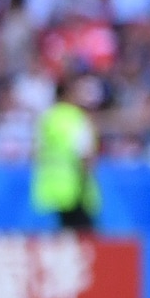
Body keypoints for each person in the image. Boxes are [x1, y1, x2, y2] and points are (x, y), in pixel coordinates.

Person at [32, 76, 100, 231]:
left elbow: (37, 151)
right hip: (76, 188)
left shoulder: (47, 119)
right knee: (85, 238)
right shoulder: (76, 118)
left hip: (51, 188)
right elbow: (85, 154)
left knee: (61, 238)